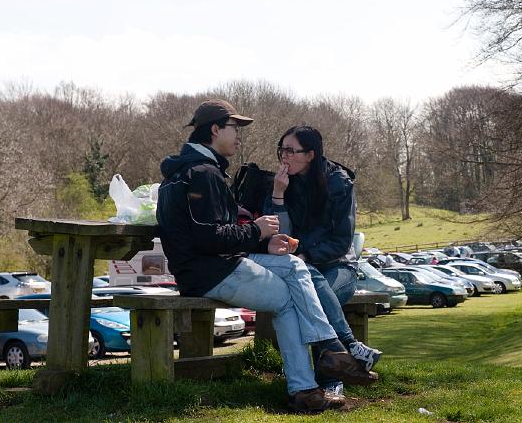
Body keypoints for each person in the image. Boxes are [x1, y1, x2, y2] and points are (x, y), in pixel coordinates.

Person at [156, 100, 376, 413]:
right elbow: (209, 238)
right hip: (211, 272)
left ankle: (328, 353)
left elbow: (213, 233)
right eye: (234, 129)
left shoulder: (193, 170)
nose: (239, 137)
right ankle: (311, 379)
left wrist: (263, 244)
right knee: (290, 299)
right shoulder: (202, 174)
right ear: (215, 129)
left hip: (213, 265)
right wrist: (256, 232)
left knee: (296, 267)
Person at [265, 125, 382, 398]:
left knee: (314, 296)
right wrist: (278, 194)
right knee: (306, 291)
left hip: (338, 265)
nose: (285, 156)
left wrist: (307, 256)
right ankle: (349, 350)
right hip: (298, 267)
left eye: (292, 151)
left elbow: (342, 241)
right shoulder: (283, 181)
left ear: (311, 155)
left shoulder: (339, 183)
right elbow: (277, 232)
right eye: (282, 149)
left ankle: (330, 381)